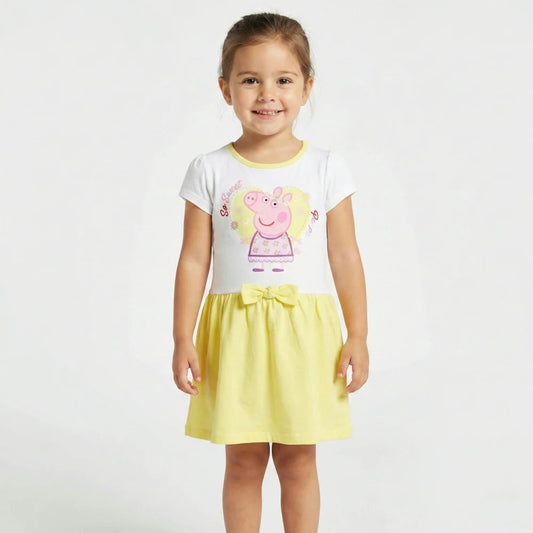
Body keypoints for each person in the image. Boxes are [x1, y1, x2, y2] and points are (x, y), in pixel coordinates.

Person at [172, 12, 369, 533]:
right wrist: (182, 337)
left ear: (306, 88)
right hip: (234, 332)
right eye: (250, 80)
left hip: (305, 335)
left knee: (298, 460)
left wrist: (359, 334)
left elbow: (345, 255)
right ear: (225, 88)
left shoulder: (326, 167)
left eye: (283, 80)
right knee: (242, 460)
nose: (267, 95)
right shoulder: (209, 169)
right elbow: (193, 259)